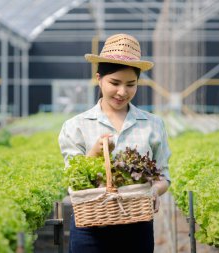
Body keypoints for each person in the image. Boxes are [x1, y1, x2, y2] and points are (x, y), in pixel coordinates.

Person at [58, 33, 171, 253]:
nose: (122, 92)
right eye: (115, 83)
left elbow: (164, 176)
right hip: (90, 228)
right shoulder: (76, 126)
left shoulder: (153, 125)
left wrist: (155, 191)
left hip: (137, 226)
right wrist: (93, 154)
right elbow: (71, 179)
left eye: (131, 84)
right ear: (99, 78)